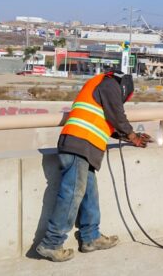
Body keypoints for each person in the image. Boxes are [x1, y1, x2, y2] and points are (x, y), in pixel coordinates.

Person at [36, 70, 151, 262]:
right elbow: (117, 115)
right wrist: (133, 137)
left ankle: (91, 237)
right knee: (72, 194)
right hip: (78, 143)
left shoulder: (99, 85)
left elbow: (108, 120)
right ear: (125, 88)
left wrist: (125, 135)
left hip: (85, 146)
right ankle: (51, 243)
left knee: (89, 193)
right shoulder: (110, 84)